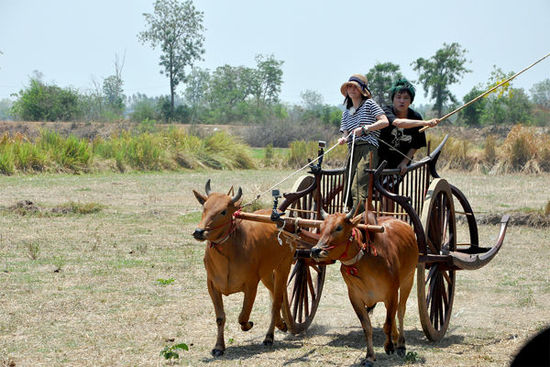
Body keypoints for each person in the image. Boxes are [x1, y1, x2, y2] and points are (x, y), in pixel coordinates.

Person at [338, 74, 389, 212]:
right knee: (348, 186)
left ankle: (358, 218)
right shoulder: (346, 113)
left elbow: (384, 121)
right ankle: (349, 214)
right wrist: (343, 139)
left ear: (362, 90)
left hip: (368, 149)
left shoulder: (369, 104)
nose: (352, 89)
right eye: (349, 86)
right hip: (352, 150)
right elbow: (346, 134)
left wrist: (365, 129)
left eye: (355, 86)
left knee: (358, 186)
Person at [378, 78, 440, 175]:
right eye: (398, 97)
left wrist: (404, 162)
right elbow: (398, 122)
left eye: (406, 98)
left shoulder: (416, 117)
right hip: (380, 162)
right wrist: (426, 123)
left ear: (411, 101)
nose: (401, 101)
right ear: (393, 99)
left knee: (392, 188)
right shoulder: (385, 112)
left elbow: (415, 145)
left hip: (401, 164)